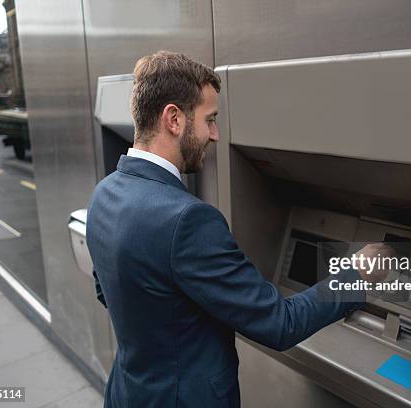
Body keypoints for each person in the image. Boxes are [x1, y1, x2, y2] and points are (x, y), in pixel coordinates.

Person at [86, 50, 392, 408]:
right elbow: (280, 323)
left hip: (129, 394)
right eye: (210, 119)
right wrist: (357, 274)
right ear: (174, 119)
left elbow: (107, 290)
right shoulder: (188, 221)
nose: (215, 135)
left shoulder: (104, 194)